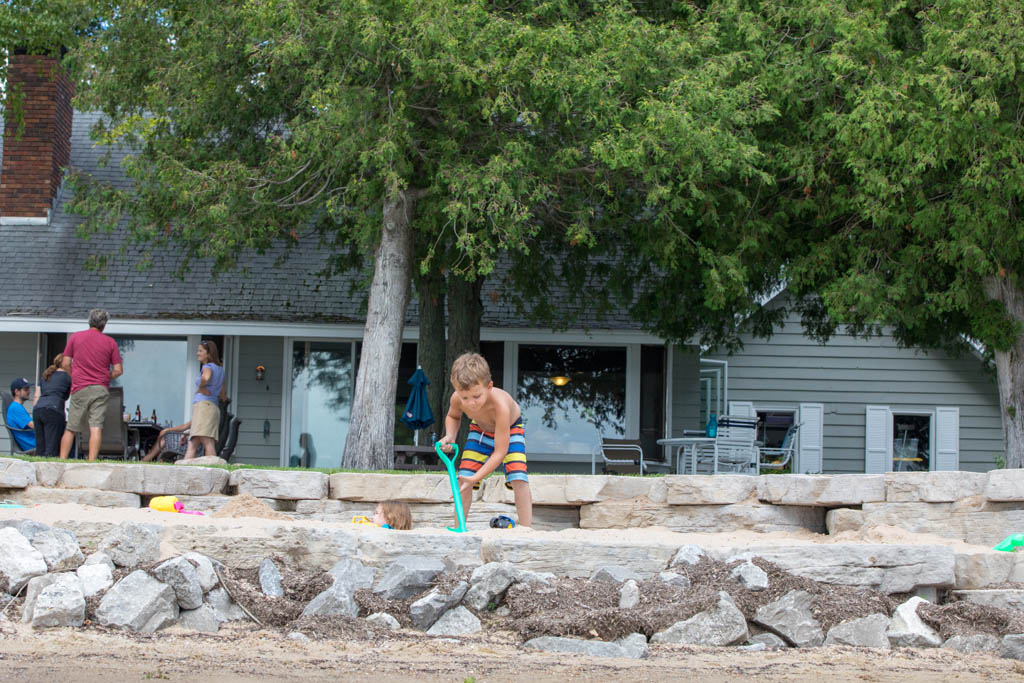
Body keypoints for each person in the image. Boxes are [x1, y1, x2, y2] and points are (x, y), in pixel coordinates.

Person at [439, 352, 533, 528]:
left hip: (510, 431)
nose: (470, 403)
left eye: (476, 396)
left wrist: (476, 478)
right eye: (464, 397)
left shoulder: (500, 406)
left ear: (489, 387)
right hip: (480, 430)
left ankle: (526, 529)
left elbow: (500, 452)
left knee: (518, 477)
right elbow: (453, 416)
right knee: (463, 478)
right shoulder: (456, 399)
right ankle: (460, 526)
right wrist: (450, 435)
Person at [59, 309, 124, 461]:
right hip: (100, 389)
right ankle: (91, 462)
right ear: (104, 324)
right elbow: (118, 370)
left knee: (71, 427)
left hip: (80, 387)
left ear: (89, 321)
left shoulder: (75, 337)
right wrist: (105, 376)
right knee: (96, 427)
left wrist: (75, 375)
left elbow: (65, 363)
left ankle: (61, 461)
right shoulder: (110, 342)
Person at [182, 339, 227, 461]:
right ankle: (183, 470)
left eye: (200, 351)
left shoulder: (207, 367)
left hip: (204, 407)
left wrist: (201, 387)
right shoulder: (221, 370)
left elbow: (206, 378)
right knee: (193, 441)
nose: (197, 353)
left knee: (207, 442)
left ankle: (213, 470)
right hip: (213, 407)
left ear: (208, 353)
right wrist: (212, 392)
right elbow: (223, 395)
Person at [32, 354, 71, 458]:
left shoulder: (46, 375)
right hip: (54, 410)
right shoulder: (68, 378)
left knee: (40, 449)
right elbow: (66, 396)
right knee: (51, 449)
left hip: (38, 410)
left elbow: (37, 395)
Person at [6, 377, 37, 452]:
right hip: (32, 445)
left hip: (35, 441)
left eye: (28, 389)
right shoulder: (16, 408)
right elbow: (34, 426)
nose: (29, 391)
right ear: (16, 391)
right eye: (26, 389)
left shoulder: (18, 407)